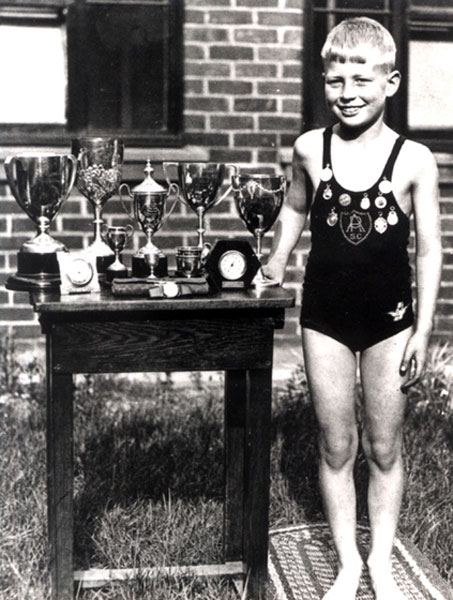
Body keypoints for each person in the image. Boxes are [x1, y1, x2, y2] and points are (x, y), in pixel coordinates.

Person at [263, 16, 442, 600]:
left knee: (385, 446)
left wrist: (423, 329)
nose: (348, 93)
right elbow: (292, 210)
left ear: (391, 83)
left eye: (362, 80)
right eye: (336, 80)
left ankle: (383, 561)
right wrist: (275, 262)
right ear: (322, 83)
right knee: (335, 443)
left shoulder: (414, 160)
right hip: (326, 320)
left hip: (391, 322)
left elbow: (431, 248)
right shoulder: (311, 150)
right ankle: (347, 563)